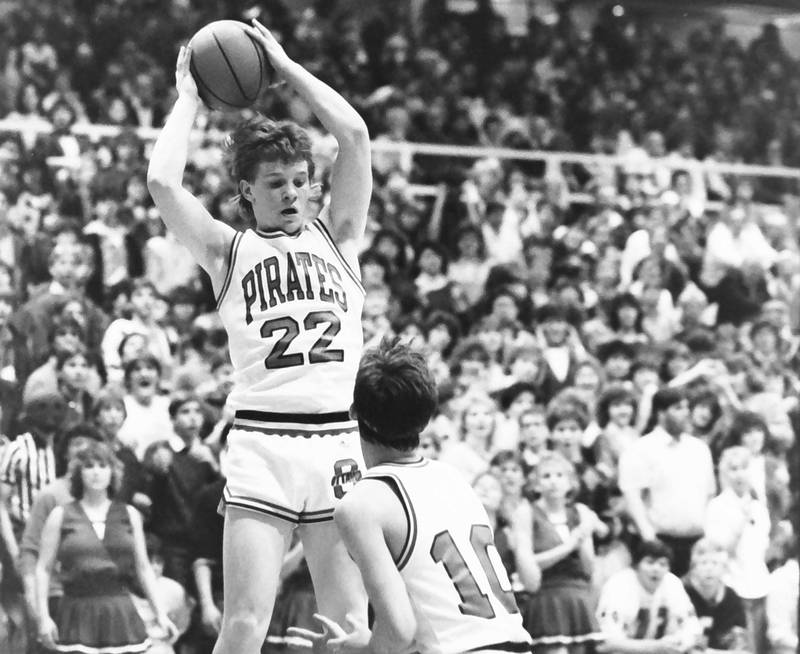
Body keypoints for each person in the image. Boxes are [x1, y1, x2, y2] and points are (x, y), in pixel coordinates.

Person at [146, 18, 371, 654]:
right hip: (262, 443)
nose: (295, 194)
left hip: (335, 439)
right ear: (246, 192)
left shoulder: (340, 236)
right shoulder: (227, 250)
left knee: (349, 623)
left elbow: (353, 134)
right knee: (245, 622)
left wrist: (284, 66)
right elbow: (163, 182)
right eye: (277, 184)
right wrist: (189, 97)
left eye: (302, 182)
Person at [289, 339, 533, 653]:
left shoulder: (362, 504)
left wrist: (362, 650)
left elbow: (399, 630)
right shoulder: (454, 478)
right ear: (426, 415)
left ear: (353, 412)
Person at [35, 441, 177, 653]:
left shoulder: (129, 514)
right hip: (76, 609)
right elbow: (43, 569)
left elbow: (144, 568)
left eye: (102, 466)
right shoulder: (60, 514)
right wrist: (43, 617)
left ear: (113, 471)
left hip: (119, 610)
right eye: (89, 466)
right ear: (78, 472)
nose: (96, 472)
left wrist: (160, 613)